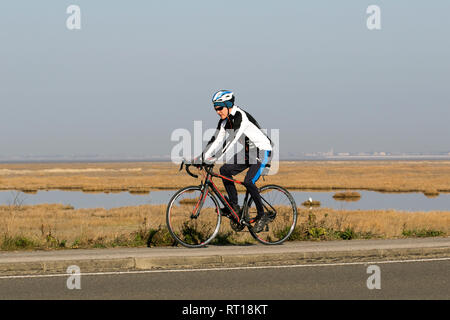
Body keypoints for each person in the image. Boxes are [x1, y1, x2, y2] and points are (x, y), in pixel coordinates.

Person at [196, 90, 273, 233]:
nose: (217, 112)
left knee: (248, 181)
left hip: (262, 149)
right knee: (224, 170)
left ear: (228, 105)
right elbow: (216, 139)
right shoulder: (224, 121)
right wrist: (201, 157)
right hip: (248, 152)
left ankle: (263, 215)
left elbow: (230, 141)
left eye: (220, 108)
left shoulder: (240, 117)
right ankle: (234, 206)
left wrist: (214, 158)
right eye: (215, 109)